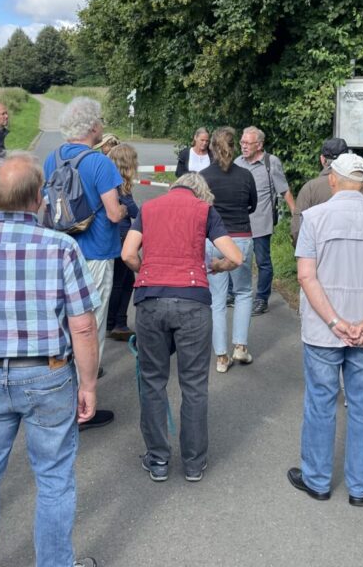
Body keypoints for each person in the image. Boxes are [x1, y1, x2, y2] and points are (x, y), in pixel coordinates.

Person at [0, 152, 100, 567]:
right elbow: (82, 326)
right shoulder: (61, 247)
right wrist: (88, 384)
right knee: (53, 479)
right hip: (47, 373)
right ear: (38, 199)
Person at [288, 153, 363, 506]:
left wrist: (336, 323)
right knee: (362, 403)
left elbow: (306, 275)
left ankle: (318, 480)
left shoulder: (313, 218)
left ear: (333, 180)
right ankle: (358, 487)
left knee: (321, 401)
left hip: (324, 329)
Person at [121, 173, 243, 483]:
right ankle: (193, 462)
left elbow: (127, 254)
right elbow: (236, 256)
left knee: (152, 381)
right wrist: (214, 267)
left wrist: (146, 270)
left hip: (150, 300)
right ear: (201, 193)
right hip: (193, 301)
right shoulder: (204, 211)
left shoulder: (148, 209)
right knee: (194, 384)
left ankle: (158, 459)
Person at [44, 97, 126, 428]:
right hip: (95, 253)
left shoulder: (52, 158)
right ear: (93, 127)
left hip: (62, 252)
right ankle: (83, 403)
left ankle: (60, 393)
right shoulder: (101, 163)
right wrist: (123, 210)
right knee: (91, 327)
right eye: (101, 122)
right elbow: (112, 212)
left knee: (64, 325)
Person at [200, 127, 258, 372]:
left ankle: (221, 356)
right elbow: (252, 206)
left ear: (212, 147)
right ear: (233, 148)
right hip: (241, 238)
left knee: (217, 300)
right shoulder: (245, 175)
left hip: (213, 240)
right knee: (244, 292)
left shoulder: (203, 176)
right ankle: (240, 347)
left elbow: (199, 209)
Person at [235, 126, 295, 316]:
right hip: (238, 221)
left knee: (263, 262)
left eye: (247, 143)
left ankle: (261, 298)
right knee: (235, 258)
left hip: (261, 221)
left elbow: (284, 189)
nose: (243, 146)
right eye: (242, 142)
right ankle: (233, 293)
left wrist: (295, 212)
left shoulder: (271, 162)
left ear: (259, 145)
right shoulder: (237, 162)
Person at [290, 137, 363, 245]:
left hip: (319, 255)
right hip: (359, 253)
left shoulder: (310, 188)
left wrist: (307, 255)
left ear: (322, 159)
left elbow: (297, 229)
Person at [106, 143, 140, 341]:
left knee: (125, 281)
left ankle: (116, 321)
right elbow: (135, 211)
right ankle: (116, 323)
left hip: (117, 236)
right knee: (121, 281)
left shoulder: (113, 183)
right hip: (122, 238)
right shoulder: (121, 188)